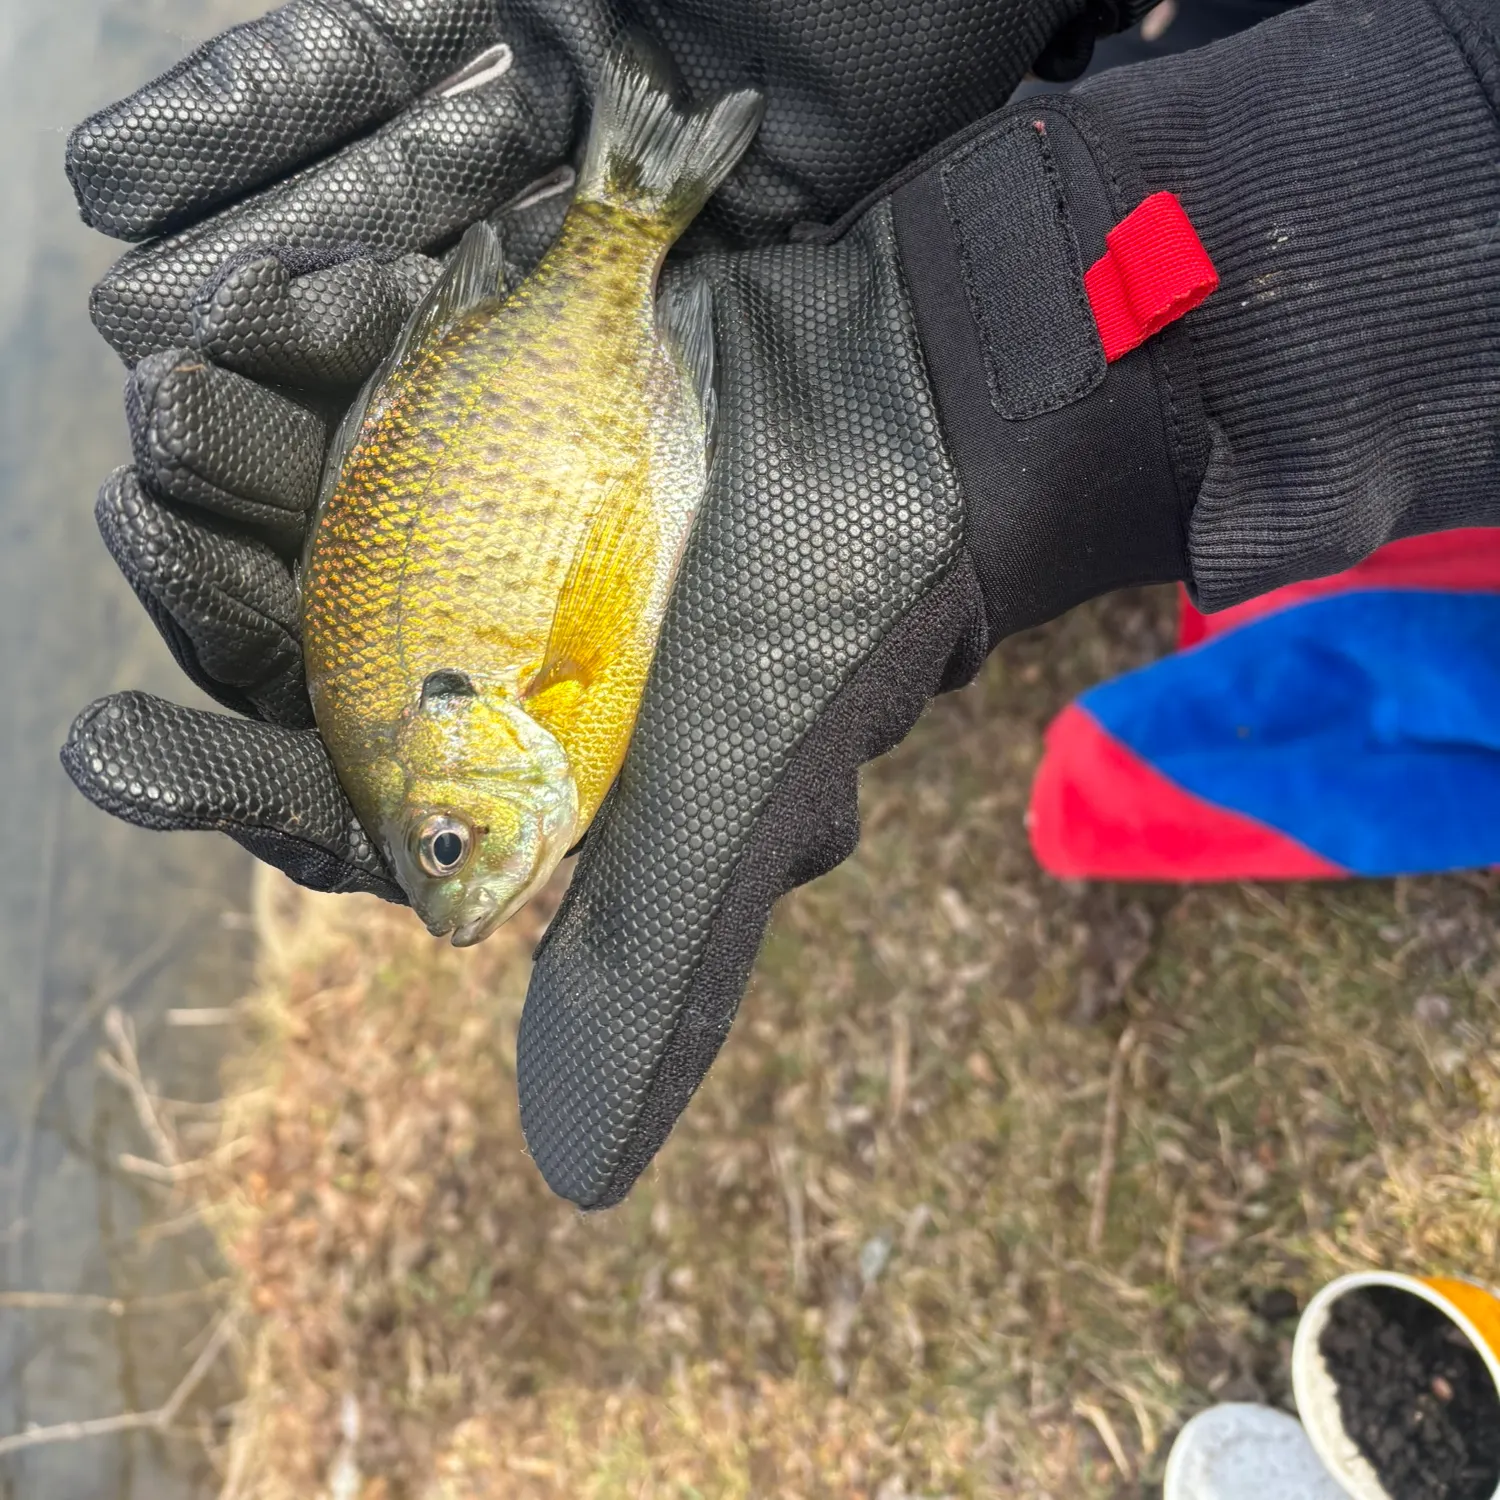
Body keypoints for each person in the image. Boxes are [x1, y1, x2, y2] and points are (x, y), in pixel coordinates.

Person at [60, 0, 1500, 1212]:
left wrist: (1085, 323)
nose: (466, 886)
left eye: (449, 843)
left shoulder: (517, 709)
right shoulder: (489, 719)